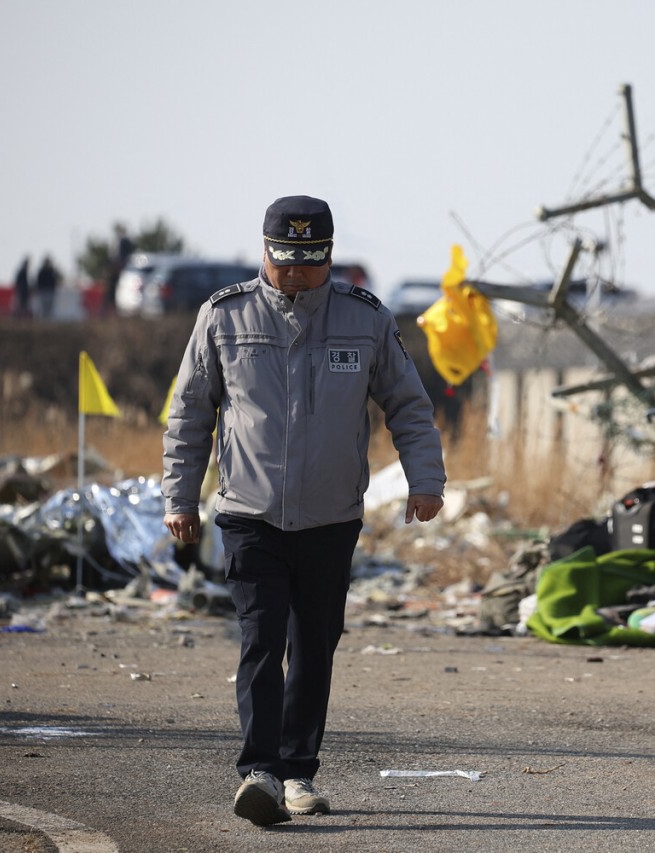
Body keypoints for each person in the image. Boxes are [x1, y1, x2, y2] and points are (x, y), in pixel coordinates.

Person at [161, 195, 445, 827]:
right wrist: (179, 499)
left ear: (329, 256)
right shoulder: (223, 317)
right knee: (262, 639)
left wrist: (426, 481)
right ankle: (258, 770)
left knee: (314, 645)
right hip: (248, 511)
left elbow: (407, 404)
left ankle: (298, 774)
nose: (296, 273)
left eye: (310, 261)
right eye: (285, 260)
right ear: (265, 252)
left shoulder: (364, 318)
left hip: (330, 517)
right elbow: (188, 415)